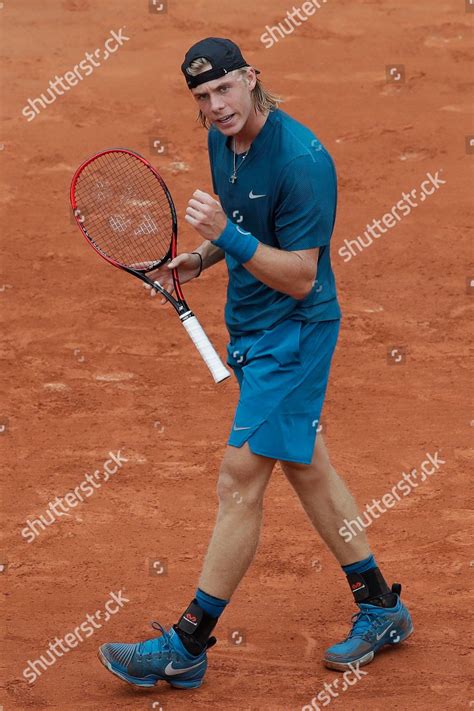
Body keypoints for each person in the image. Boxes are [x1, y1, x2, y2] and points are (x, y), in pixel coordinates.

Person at [98, 37, 413, 691]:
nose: (216, 107)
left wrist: (226, 237)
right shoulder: (222, 141)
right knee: (308, 467)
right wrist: (205, 258)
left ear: (252, 79)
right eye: (202, 97)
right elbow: (244, 227)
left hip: (295, 336)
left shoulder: (303, 160)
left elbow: (301, 274)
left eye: (225, 90)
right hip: (250, 331)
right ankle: (381, 605)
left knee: (240, 478)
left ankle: (186, 643)